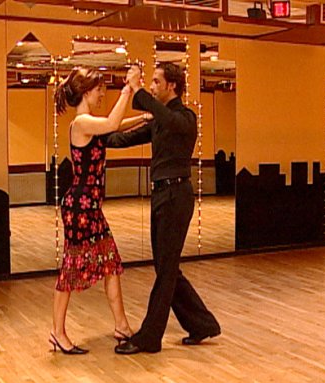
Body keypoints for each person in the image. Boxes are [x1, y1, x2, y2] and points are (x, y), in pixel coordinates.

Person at [106, 63, 221, 354]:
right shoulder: (160, 120)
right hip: (161, 196)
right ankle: (202, 324)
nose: (152, 86)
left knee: (166, 270)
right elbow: (123, 138)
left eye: (156, 82)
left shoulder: (185, 118)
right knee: (166, 267)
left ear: (172, 86)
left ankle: (150, 336)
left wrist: (137, 88)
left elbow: (167, 118)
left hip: (176, 196)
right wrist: (95, 135)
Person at [50, 66, 147, 355]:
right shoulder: (81, 123)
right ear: (85, 92)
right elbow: (112, 123)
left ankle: (121, 325)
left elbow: (113, 124)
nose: (102, 94)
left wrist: (143, 117)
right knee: (71, 270)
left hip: (90, 206)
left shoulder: (91, 123)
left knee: (111, 263)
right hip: (80, 207)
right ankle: (58, 332)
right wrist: (128, 89)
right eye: (98, 89)